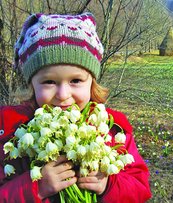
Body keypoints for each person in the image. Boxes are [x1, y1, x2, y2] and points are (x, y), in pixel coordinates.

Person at [0, 13, 152, 203]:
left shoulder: (112, 130)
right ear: (32, 85)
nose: (63, 95)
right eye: (49, 82)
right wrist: (36, 187)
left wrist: (108, 185)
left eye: (76, 80)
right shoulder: (12, 133)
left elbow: (140, 187)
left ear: (92, 82)